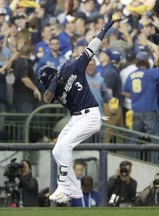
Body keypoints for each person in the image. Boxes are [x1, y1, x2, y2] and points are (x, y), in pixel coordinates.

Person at [37, 13, 115, 204]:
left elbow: (91, 49)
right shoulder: (52, 91)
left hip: (90, 116)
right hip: (77, 118)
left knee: (65, 146)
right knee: (57, 151)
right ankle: (74, 190)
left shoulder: (73, 67)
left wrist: (103, 30)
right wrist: (55, 83)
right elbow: (46, 99)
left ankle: (63, 186)